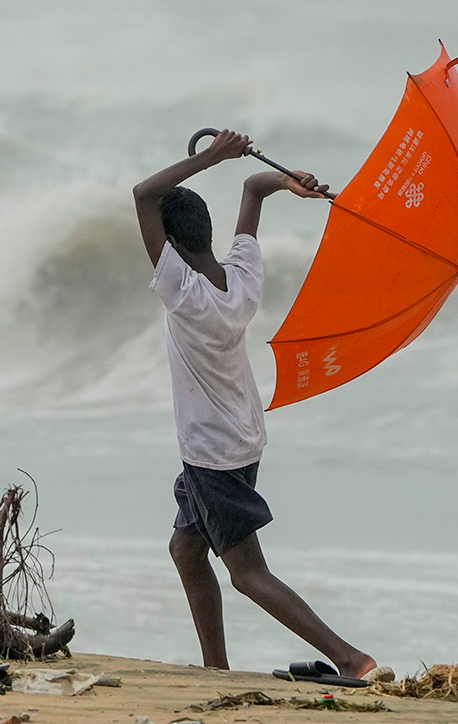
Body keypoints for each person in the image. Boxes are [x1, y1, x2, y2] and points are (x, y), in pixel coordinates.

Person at [132, 128, 378, 678]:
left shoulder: (184, 294)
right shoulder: (241, 277)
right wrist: (290, 184)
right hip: (243, 439)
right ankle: (215, 668)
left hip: (212, 453)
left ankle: (350, 658)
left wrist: (212, 156)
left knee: (246, 572)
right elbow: (252, 189)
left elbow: (143, 196)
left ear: (168, 247)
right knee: (186, 550)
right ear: (210, 233)